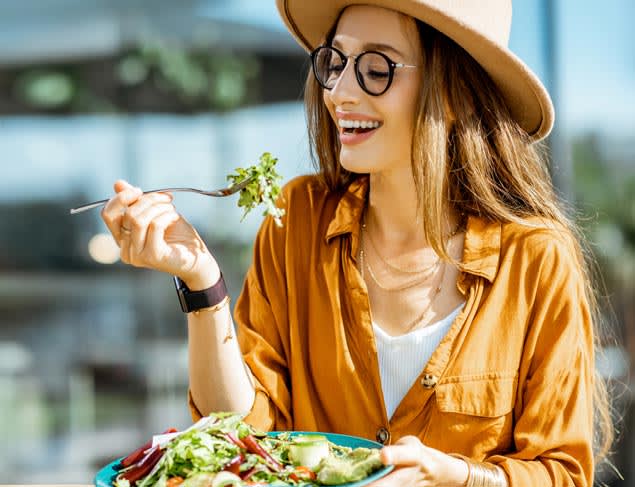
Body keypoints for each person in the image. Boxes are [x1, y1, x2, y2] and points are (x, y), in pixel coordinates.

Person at [101, 0, 614, 485]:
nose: (339, 92)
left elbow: (562, 473)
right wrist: (201, 283)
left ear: (455, 91)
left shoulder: (536, 259)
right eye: (335, 62)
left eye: (376, 69)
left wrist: (456, 476)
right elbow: (242, 438)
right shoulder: (294, 222)